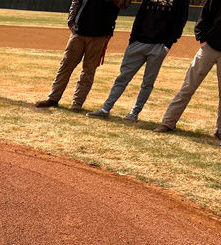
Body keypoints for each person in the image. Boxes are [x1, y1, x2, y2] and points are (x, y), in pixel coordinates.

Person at [87, 0, 189, 122]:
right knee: (122, 78)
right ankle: (105, 109)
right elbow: (140, 16)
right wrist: (132, 40)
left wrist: (167, 45)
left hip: (158, 46)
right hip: (138, 43)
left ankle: (134, 113)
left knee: (147, 83)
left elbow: (180, 21)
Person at [35, 0, 131, 112]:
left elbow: (125, 5)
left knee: (88, 70)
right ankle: (53, 98)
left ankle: (77, 103)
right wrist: (71, 22)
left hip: (100, 34)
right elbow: (76, 2)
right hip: (79, 32)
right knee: (65, 66)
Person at [154, 0, 221, 144]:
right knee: (188, 87)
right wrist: (203, 40)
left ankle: (220, 131)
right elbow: (204, 18)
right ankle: (168, 122)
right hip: (209, 48)